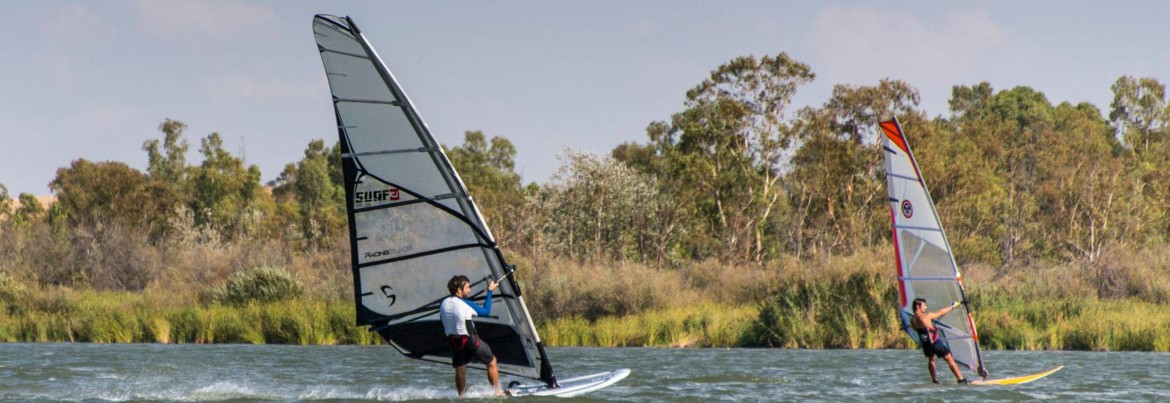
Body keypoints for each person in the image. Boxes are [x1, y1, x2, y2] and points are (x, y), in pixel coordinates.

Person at [440, 275, 505, 397]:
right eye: (467, 288)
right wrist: (490, 291)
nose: (469, 291)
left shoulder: (443, 304)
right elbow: (486, 312)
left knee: (460, 368)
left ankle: (462, 396)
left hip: (453, 343)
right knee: (492, 361)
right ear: (459, 290)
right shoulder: (467, 304)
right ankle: (498, 392)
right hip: (470, 341)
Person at [909, 297, 968, 384]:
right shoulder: (926, 316)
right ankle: (960, 379)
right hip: (935, 343)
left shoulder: (912, 320)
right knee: (950, 360)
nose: (925, 307)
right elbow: (940, 312)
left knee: (931, 359)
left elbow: (916, 328)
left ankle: (935, 380)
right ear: (918, 306)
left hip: (926, 345)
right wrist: (953, 306)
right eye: (924, 306)